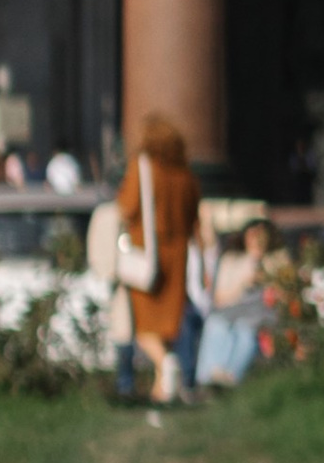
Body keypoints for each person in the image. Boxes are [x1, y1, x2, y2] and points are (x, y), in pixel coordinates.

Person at [115, 114, 203, 408]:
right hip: (178, 257)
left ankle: (165, 365)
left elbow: (127, 207)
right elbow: (193, 216)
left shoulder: (143, 168)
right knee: (167, 325)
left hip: (147, 255)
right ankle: (163, 390)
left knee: (144, 328)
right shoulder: (185, 174)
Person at [198, 215, 275, 388]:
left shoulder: (273, 262)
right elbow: (220, 298)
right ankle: (209, 379)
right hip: (229, 312)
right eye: (252, 234)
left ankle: (229, 382)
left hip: (256, 319)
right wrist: (244, 281)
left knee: (245, 334)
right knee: (217, 327)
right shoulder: (232, 261)